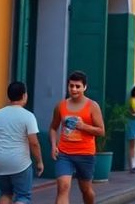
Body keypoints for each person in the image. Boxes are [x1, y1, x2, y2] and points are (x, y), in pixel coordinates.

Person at [50, 71, 104, 204]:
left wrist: (83, 126)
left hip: (85, 154)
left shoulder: (92, 106)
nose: (74, 89)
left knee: (86, 190)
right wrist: (53, 146)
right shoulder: (60, 106)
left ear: (84, 87)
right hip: (64, 153)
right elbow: (53, 128)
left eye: (77, 86)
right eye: (71, 86)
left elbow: (101, 131)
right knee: (63, 187)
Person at [0, 81, 44, 204]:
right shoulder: (28, 116)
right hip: (20, 163)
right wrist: (39, 161)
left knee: (5, 193)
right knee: (23, 197)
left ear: (9, 96)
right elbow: (34, 143)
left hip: (0, 161)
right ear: (24, 95)